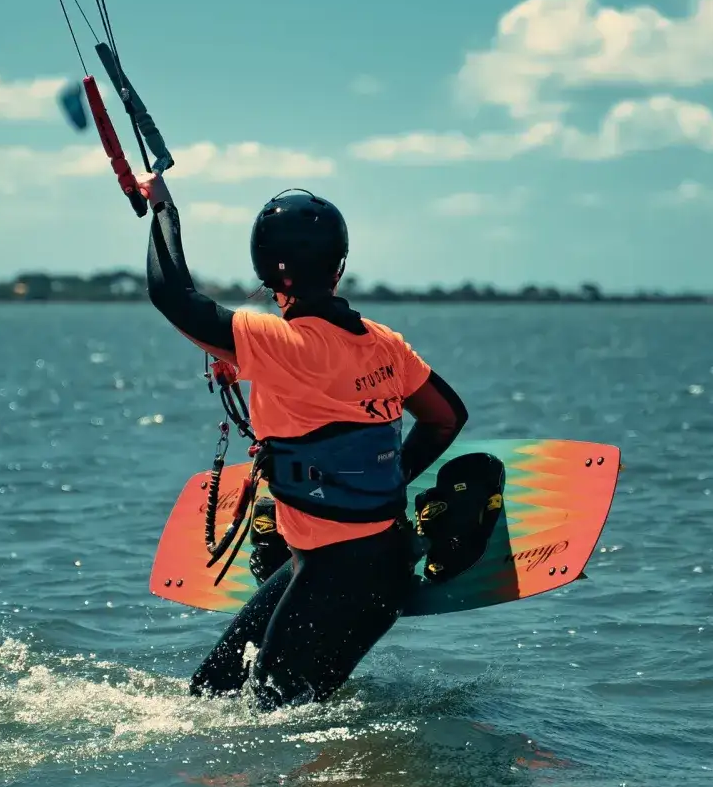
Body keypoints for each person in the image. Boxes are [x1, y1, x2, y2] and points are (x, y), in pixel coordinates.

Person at [140, 172, 469, 710]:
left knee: (265, 719)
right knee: (211, 696)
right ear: (340, 264)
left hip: (345, 575)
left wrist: (161, 209)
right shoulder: (384, 344)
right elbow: (446, 418)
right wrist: (377, 480)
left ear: (266, 268)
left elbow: (171, 295)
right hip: (352, 563)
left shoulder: (280, 343)